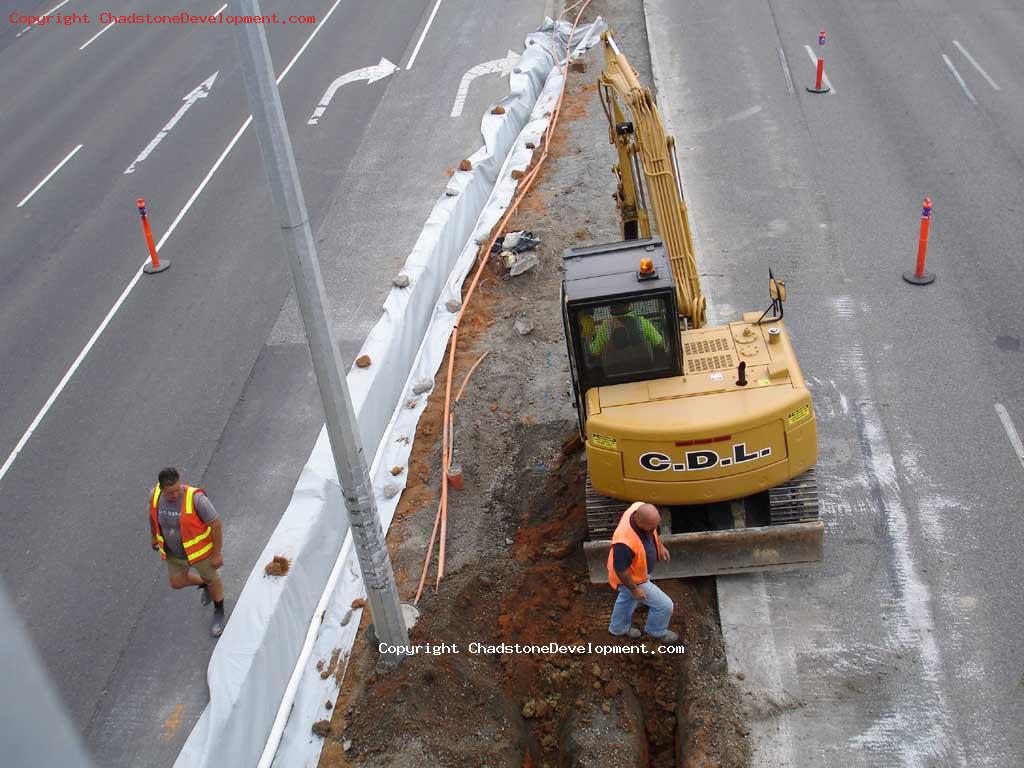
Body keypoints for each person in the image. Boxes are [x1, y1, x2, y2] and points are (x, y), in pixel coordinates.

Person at [148, 467, 227, 637]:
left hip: (200, 553)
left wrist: (217, 553)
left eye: (178, 489)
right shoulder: (154, 495)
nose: (175, 495)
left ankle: (219, 612)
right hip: (174, 554)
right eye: (170, 493)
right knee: (176, 582)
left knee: (213, 580)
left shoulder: (197, 499)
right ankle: (204, 584)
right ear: (161, 489)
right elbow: (152, 516)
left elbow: (216, 524)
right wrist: (154, 536)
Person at [606, 501, 678, 643]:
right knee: (664, 605)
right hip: (632, 578)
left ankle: (618, 628)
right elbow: (621, 570)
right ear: (639, 522)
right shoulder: (624, 542)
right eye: (651, 528)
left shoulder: (638, 508)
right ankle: (657, 631)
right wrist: (634, 588)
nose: (654, 530)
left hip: (638, 572)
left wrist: (660, 546)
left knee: (627, 599)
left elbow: (652, 531)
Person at [588, 302, 665, 358]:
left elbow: (594, 352)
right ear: (628, 305)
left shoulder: (606, 327)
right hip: (643, 367)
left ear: (611, 308)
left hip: (615, 373)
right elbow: (660, 344)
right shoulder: (641, 321)